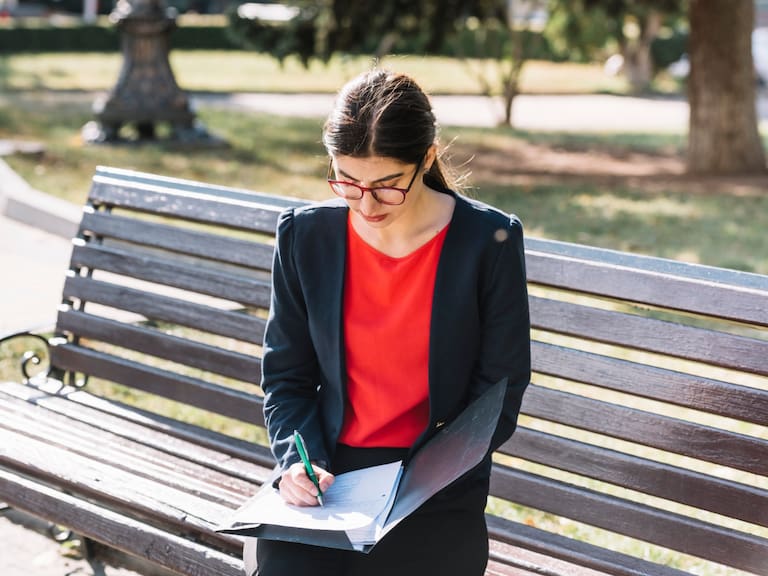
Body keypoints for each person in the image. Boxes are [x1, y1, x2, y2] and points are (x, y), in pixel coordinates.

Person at [256, 68, 531, 576]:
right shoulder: (305, 236)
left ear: (426, 158)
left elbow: (501, 388)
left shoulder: (486, 242)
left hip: (434, 483)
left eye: (386, 186)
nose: (366, 204)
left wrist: (432, 475)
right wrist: (299, 462)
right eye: (347, 180)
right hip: (329, 477)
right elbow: (286, 377)